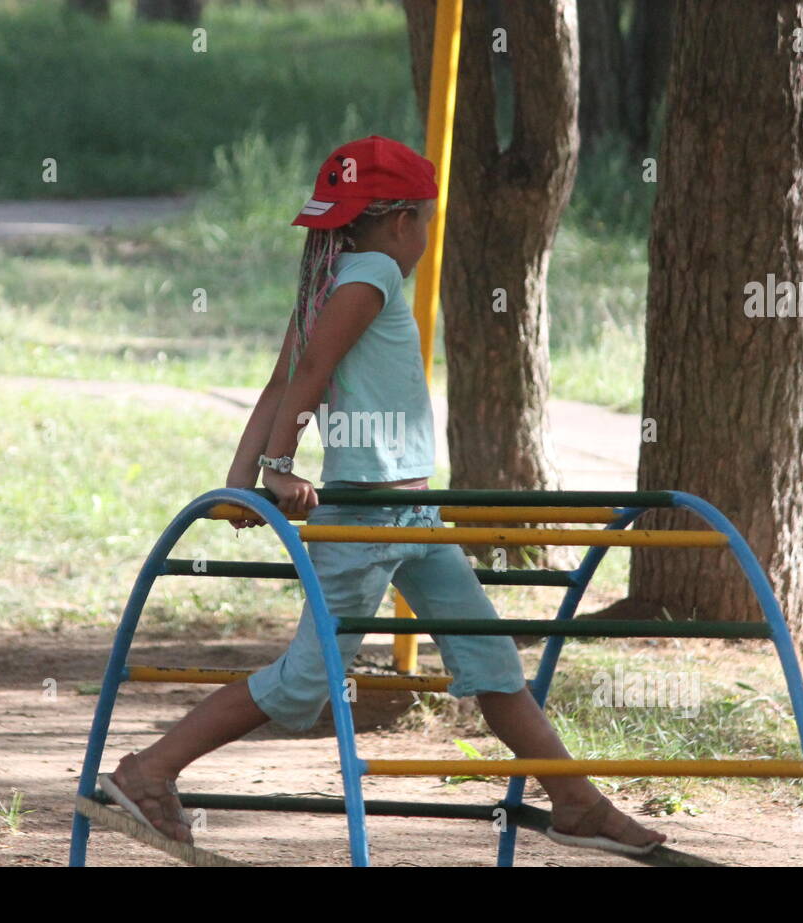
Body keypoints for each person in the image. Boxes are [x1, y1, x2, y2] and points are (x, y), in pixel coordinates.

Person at [101, 135, 666, 856]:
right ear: (404, 222)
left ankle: (577, 803)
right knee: (306, 682)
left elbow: (285, 378)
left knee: (489, 662)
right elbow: (309, 369)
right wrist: (277, 466)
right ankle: (149, 770)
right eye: (426, 223)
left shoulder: (332, 276)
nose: (425, 236)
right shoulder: (371, 272)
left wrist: (240, 482)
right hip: (368, 516)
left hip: (413, 517)